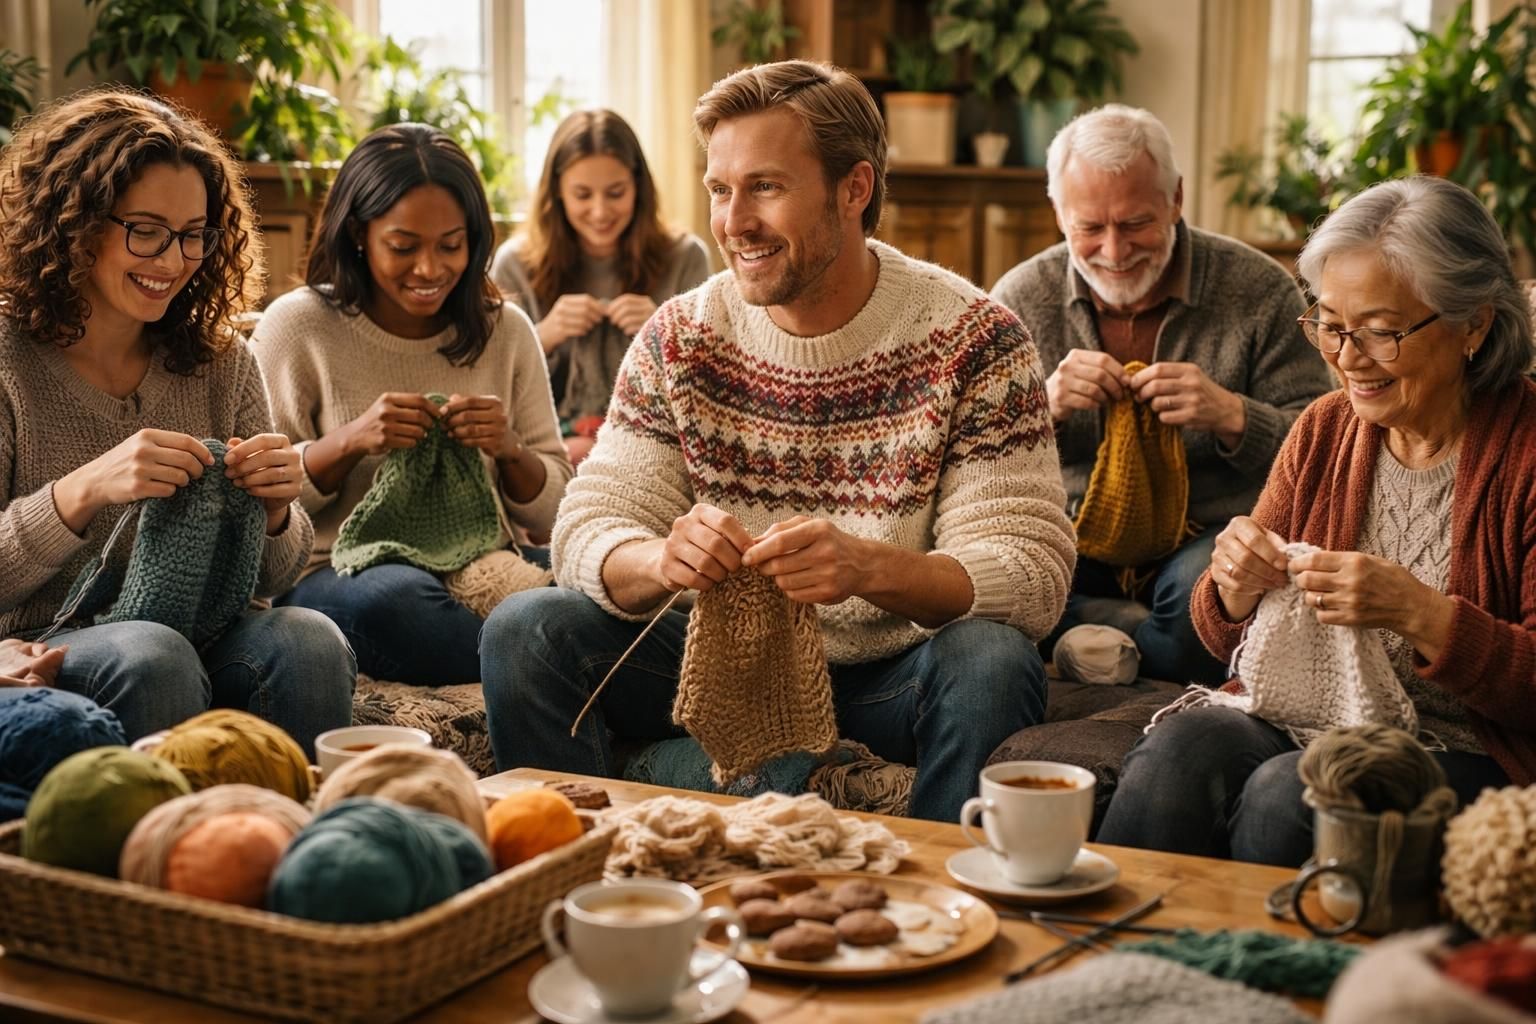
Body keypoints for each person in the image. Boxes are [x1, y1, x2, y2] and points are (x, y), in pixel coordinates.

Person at [479, 60, 1076, 823]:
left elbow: (1031, 572)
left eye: (766, 187)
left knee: (992, 663)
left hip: (890, 671)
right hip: (715, 660)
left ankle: (935, 909)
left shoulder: (976, 337)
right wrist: (659, 560)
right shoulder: (681, 337)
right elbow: (587, 528)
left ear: (854, 189)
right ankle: (593, 875)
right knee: (526, 630)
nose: (733, 222)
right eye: (721, 191)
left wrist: (869, 566)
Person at [1096, 176, 1536, 865]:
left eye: (1381, 332)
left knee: (1290, 792)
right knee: (1183, 746)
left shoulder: (1528, 455)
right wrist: (1234, 585)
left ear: (1473, 323)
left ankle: (1254, 970)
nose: (1347, 357)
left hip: (1471, 748)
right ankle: (1109, 966)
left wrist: (1423, 614)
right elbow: (1219, 632)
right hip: (1316, 713)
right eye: (1329, 325)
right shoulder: (1326, 428)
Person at [0, 89, 354, 754]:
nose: (172, 261)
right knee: (151, 653)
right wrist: (82, 491)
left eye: (193, 235)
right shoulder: (7, 358)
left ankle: (298, 843)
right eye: (146, 230)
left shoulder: (223, 361)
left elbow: (274, 578)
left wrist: (276, 511)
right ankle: (168, 852)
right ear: (74, 223)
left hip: (206, 627)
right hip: (41, 642)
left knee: (309, 638)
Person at [992, 105, 1332, 685]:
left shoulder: (1259, 289)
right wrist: (1040, 408)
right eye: (1090, 228)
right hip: (1068, 537)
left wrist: (1232, 416)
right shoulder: (1022, 296)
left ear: (1176, 198)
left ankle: (1099, 636)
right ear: (1058, 213)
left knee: (1205, 615)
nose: (1115, 251)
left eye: (1135, 224)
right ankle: (1128, 630)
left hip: (1206, 536)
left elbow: (1323, 450)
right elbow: (972, 457)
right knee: (1002, 596)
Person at [253, 124, 571, 687]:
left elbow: (555, 516)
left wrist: (510, 449)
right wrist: (349, 442)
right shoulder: (298, 326)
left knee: (592, 579)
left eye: (451, 245)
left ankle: (558, 659)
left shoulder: (506, 331)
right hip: (337, 570)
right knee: (398, 599)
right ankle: (560, 668)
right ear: (358, 233)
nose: (429, 269)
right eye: (403, 247)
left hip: (483, 561)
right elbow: (256, 498)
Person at [490, 109, 711, 464]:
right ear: (557, 191)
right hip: (545, 450)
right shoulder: (516, 263)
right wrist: (541, 336)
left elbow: (714, 381)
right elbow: (492, 380)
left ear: (639, 187)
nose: (599, 211)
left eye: (615, 192)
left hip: (659, 447)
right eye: (582, 194)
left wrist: (661, 333)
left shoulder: (684, 256)